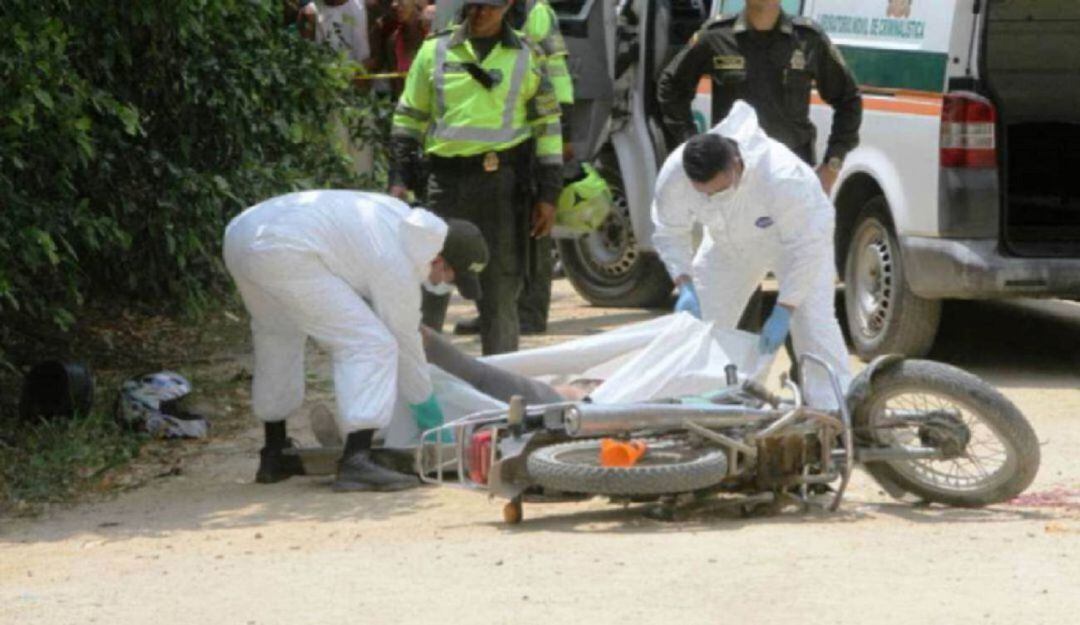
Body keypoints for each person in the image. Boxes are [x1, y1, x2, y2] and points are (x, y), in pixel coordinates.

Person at [223, 190, 489, 492]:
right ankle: (357, 461)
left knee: (278, 333)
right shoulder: (398, 262)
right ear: (438, 259)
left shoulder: (396, 219)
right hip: (284, 249)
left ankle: (274, 454)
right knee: (371, 344)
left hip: (241, 234)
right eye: (451, 277)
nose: (445, 285)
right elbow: (405, 342)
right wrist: (429, 414)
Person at [656, 0, 861, 359]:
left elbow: (848, 99)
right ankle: (724, 400)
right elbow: (671, 88)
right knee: (716, 317)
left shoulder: (806, 40)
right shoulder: (716, 37)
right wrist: (695, 146)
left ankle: (820, 408)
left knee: (812, 323)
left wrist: (832, 163)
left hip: (790, 189)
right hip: (729, 187)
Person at [388, 0, 564, 355]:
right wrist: (398, 178)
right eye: (475, 5)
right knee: (429, 289)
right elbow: (408, 120)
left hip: (502, 189)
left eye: (491, 7)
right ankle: (424, 387)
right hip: (442, 186)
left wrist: (549, 194)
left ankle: (502, 395)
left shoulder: (527, 56)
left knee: (499, 292)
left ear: (508, 6)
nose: (481, 13)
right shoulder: (434, 50)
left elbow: (547, 128)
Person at [650, 101, 852, 408]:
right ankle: (691, 408)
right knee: (697, 328)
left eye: (717, 191)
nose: (710, 198)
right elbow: (669, 231)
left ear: (734, 163)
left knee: (813, 325)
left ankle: (837, 416)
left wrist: (785, 307)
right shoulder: (675, 174)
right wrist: (684, 281)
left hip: (793, 246)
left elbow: (809, 245)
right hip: (727, 247)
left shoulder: (783, 176)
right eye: (703, 193)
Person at [455, 0, 575, 336]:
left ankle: (531, 312)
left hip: (533, 127)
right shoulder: (475, 8)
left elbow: (557, 73)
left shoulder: (536, 12)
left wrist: (565, 131)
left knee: (533, 225)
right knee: (493, 227)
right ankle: (494, 309)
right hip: (497, 134)